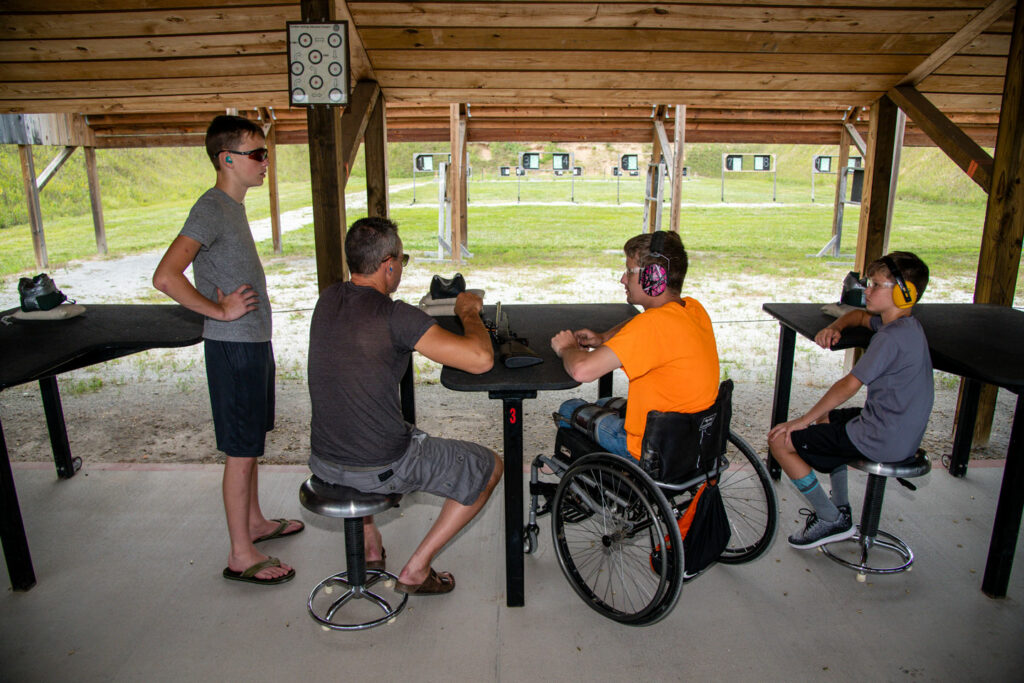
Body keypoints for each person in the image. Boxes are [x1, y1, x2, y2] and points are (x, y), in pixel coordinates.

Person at [307, 216, 503, 596]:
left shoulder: (327, 298)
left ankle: (369, 545)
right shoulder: (395, 316)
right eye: (402, 259)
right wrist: (468, 312)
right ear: (389, 265)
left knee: (375, 427)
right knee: (489, 466)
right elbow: (480, 359)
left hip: (324, 459)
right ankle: (416, 568)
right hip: (379, 465)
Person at [153, 115, 301, 585]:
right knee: (239, 451)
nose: (265, 162)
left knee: (251, 441)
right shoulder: (212, 207)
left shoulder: (231, 207)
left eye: (266, 153)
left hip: (253, 344)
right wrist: (217, 312)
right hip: (233, 349)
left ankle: (254, 524)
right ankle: (241, 553)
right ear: (228, 159)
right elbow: (166, 276)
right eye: (257, 154)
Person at [768, 251, 933, 550]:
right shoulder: (903, 326)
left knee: (780, 440)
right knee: (828, 418)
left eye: (877, 285)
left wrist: (799, 421)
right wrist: (836, 326)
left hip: (881, 438)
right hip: (899, 433)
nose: (867, 290)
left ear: (904, 293)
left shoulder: (890, 338)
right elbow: (857, 316)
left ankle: (831, 518)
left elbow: (848, 385)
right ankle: (841, 508)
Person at [551, 230, 720, 461]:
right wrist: (603, 338)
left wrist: (566, 348)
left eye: (629, 271)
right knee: (601, 403)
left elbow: (582, 369)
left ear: (654, 277)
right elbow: (640, 322)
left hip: (649, 448)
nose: (623, 279)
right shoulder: (691, 309)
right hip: (689, 441)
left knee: (571, 408)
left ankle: (590, 482)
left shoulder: (653, 325)